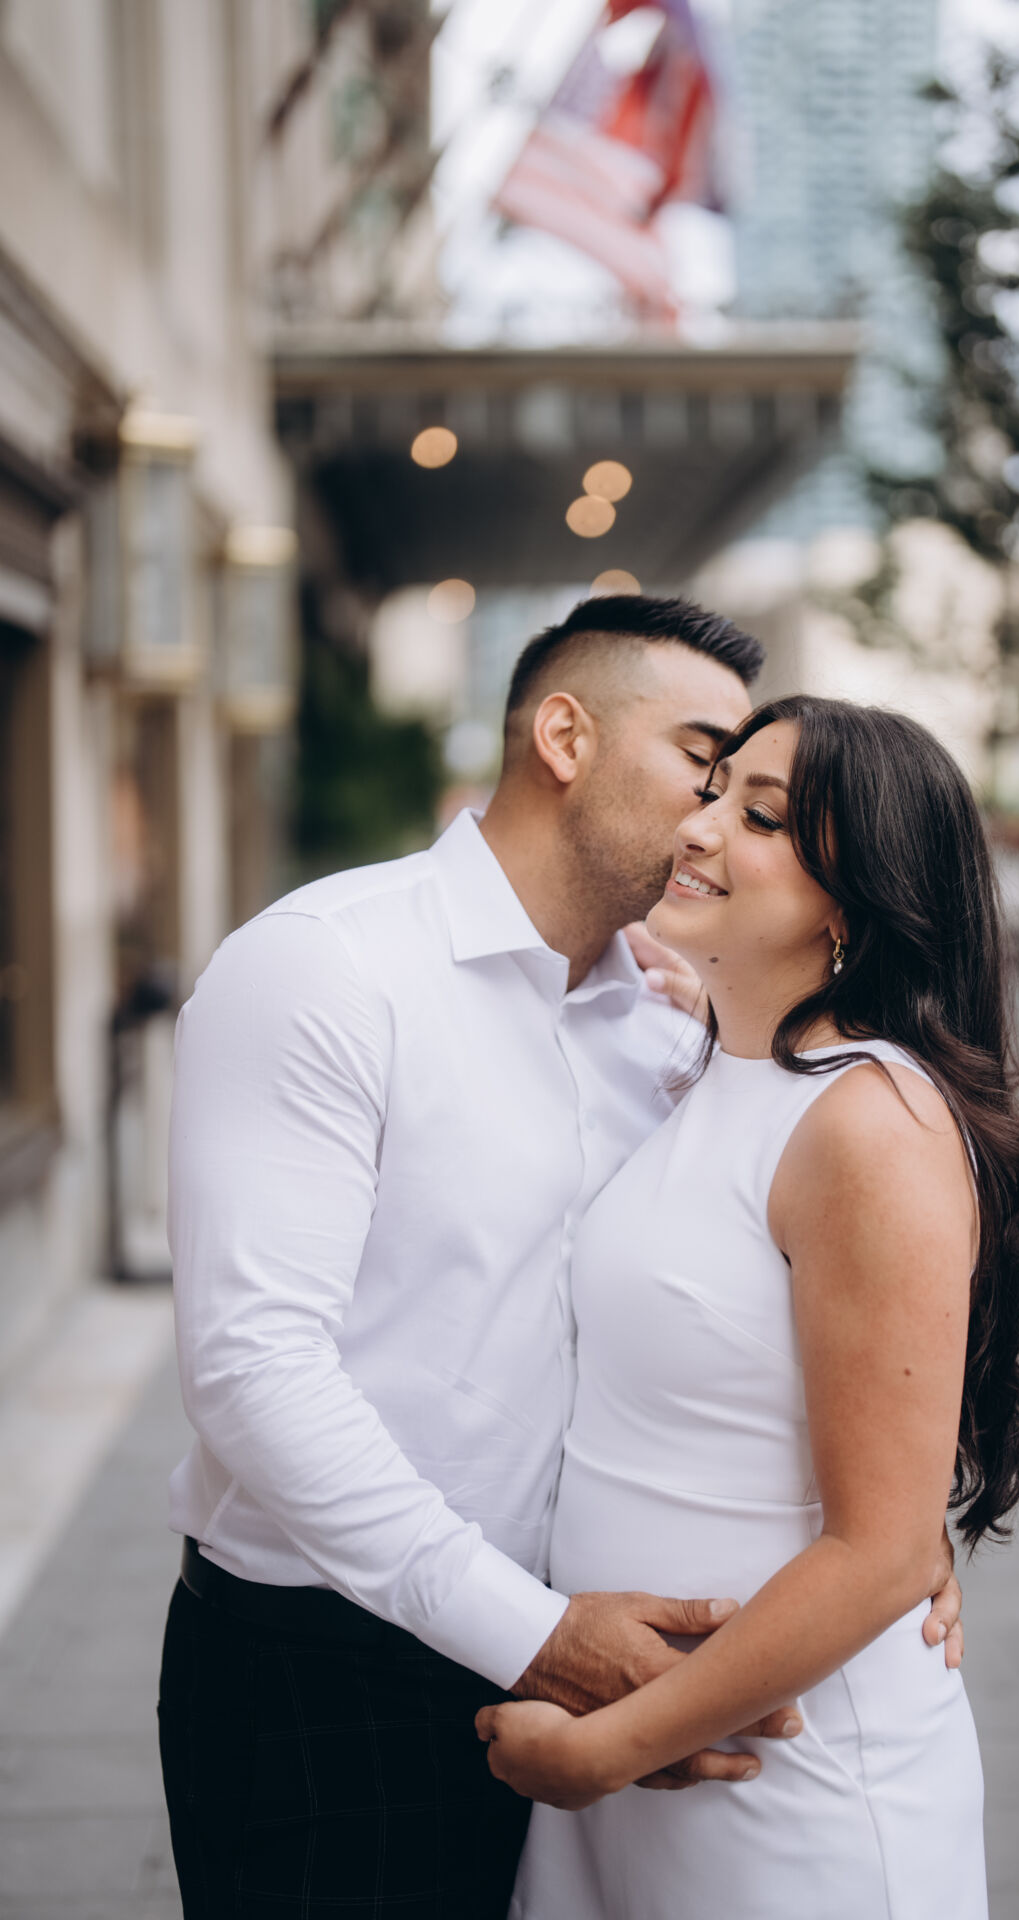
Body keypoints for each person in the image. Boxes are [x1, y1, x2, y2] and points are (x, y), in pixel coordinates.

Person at [158, 601, 964, 1920]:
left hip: (618, 1671)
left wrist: (894, 1525)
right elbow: (252, 1371)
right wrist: (531, 1636)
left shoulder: (673, 1026)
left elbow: (797, 1301)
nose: (708, 816)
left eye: (745, 798)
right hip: (336, 1670)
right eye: (702, 765)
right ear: (565, 736)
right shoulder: (327, 968)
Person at [479, 697, 1019, 1920]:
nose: (698, 828)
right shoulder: (721, 1066)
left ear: (849, 905)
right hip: (639, 1752)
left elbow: (881, 1551)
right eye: (712, 792)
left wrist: (601, 1753)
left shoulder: (870, 1121)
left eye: (759, 818)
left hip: (781, 1780)